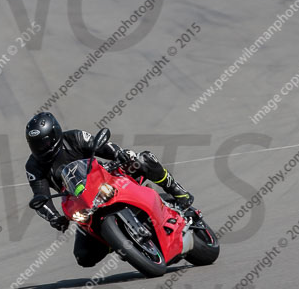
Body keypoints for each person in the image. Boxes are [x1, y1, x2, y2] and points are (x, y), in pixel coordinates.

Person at [25, 112, 194, 267]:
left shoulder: (74, 137)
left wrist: (119, 154)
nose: (41, 148)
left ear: (55, 136)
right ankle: (115, 240)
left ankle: (177, 191)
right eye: (35, 144)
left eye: (44, 142)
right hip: (80, 202)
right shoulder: (33, 166)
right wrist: (54, 218)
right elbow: (40, 197)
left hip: (104, 177)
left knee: (142, 160)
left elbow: (103, 146)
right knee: (83, 257)